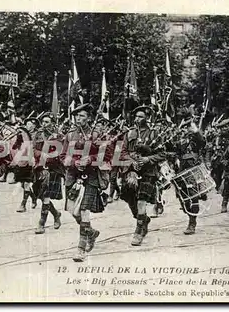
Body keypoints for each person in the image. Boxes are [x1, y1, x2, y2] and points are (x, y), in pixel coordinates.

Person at [60, 104, 109, 262]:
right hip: (73, 176)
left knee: (83, 211)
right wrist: (74, 163)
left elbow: (106, 155)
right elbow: (63, 155)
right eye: (77, 116)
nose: (78, 119)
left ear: (88, 118)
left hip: (91, 176)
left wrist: (90, 159)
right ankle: (91, 233)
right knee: (74, 212)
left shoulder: (97, 134)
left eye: (82, 116)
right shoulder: (70, 135)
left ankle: (81, 249)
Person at [120, 107, 166, 246]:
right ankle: (143, 219)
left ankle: (139, 231)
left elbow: (162, 154)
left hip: (148, 172)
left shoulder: (154, 134)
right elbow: (122, 152)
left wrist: (147, 159)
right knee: (129, 197)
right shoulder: (129, 133)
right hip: (132, 170)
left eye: (140, 117)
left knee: (141, 200)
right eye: (136, 116)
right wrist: (132, 161)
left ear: (147, 118)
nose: (137, 119)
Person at [32, 112, 63, 234]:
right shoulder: (38, 135)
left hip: (52, 169)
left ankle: (41, 224)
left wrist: (49, 156)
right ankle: (56, 214)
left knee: (45, 195)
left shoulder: (58, 136)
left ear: (53, 124)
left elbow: (60, 151)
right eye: (43, 122)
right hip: (39, 168)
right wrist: (41, 155)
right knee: (38, 194)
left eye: (47, 122)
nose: (44, 124)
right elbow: (33, 149)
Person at [15, 117, 39, 213]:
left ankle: (23, 204)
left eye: (31, 125)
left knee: (26, 183)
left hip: (31, 161)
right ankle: (33, 197)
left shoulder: (37, 135)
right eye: (27, 124)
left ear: (35, 126)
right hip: (22, 161)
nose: (29, 126)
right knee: (22, 183)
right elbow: (16, 146)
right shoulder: (22, 135)